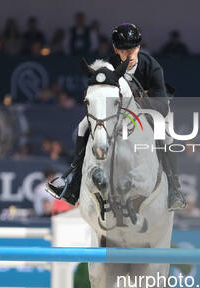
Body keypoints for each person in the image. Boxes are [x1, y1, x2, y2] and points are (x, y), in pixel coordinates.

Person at [46, 23, 186, 210]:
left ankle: (174, 188)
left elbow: (160, 104)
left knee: (167, 134)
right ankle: (74, 184)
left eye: (132, 48)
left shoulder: (151, 66)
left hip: (153, 109)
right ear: (115, 49)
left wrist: (136, 105)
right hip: (118, 113)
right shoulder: (109, 66)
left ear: (139, 47)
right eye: (123, 49)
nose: (128, 54)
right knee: (83, 126)